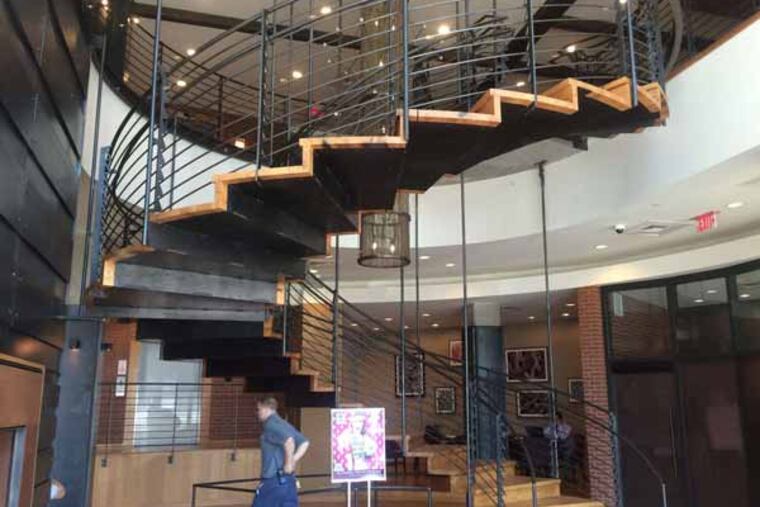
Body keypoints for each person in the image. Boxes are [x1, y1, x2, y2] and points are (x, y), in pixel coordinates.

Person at [253, 397, 310, 507]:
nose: (257, 413)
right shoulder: (284, 424)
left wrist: (288, 463)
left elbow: (288, 441)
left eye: (259, 409)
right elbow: (304, 442)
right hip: (289, 481)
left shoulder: (270, 425)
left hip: (273, 479)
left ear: (266, 408)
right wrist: (293, 459)